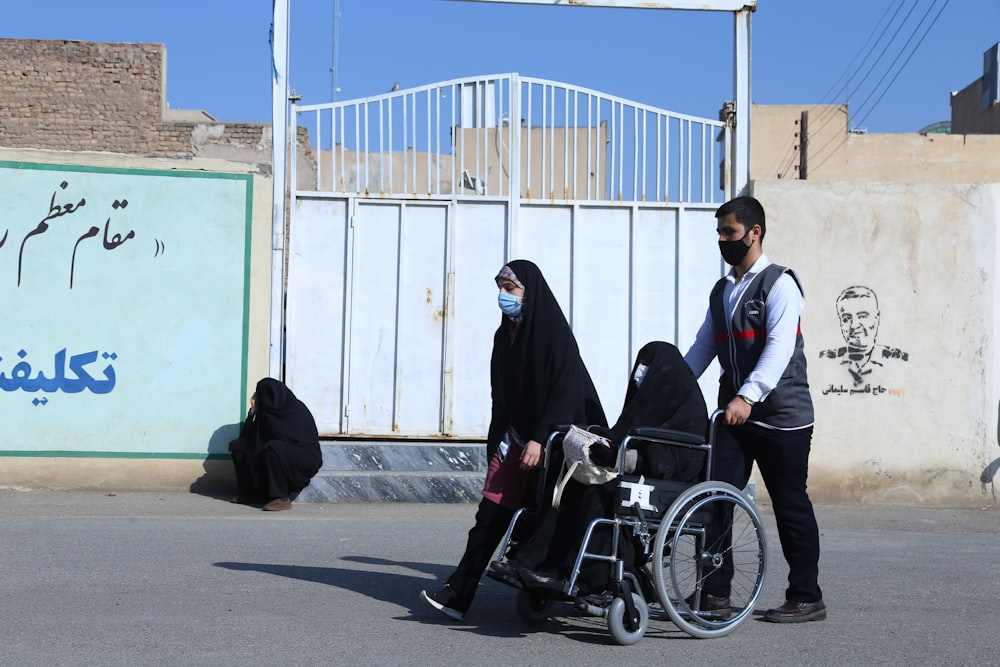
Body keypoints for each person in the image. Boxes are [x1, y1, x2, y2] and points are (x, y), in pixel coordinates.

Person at [419, 259, 607, 621]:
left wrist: (539, 439)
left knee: (547, 514)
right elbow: (500, 394)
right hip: (516, 439)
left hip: (556, 443)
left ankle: (550, 580)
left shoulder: (553, 334)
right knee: (489, 514)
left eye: (511, 289)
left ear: (530, 292)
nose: (504, 297)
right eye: (501, 289)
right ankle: (459, 592)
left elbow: (564, 393)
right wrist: (501, 441)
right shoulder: (504, 335)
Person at [683, 195, 826, 623]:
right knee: (714, 501)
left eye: (729, 232)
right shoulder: (723, 290)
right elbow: (703, 348)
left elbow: (780, 349)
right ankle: (715, 594)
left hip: (782, 418)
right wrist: (672, 386)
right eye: (719, 233)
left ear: (754, 232)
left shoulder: (780, 284)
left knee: (789, 504)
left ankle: (806, 595)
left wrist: (748, 395)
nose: (723, 240)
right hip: (734, 418)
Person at [497, 341, 708, 597]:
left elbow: (678, 460)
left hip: (662, 486)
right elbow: (620, 436)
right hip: (632, 478)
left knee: (595, 492)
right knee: (568, 480)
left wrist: (626, 458)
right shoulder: (646, 403)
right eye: (640, 365)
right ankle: (533, 563)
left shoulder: (689, 409)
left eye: (648, 366)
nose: (641, 372)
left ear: (664, 371)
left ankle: (568, 572)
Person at [228, 377, 323, 512]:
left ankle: (281, 498)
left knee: (273, 448)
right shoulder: (267, 412)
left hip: (304, 458)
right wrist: (252, 413)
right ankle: (250, 493)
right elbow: (247, 437)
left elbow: (293, 441)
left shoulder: (297, 410)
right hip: (274, 453)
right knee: (239, 446)